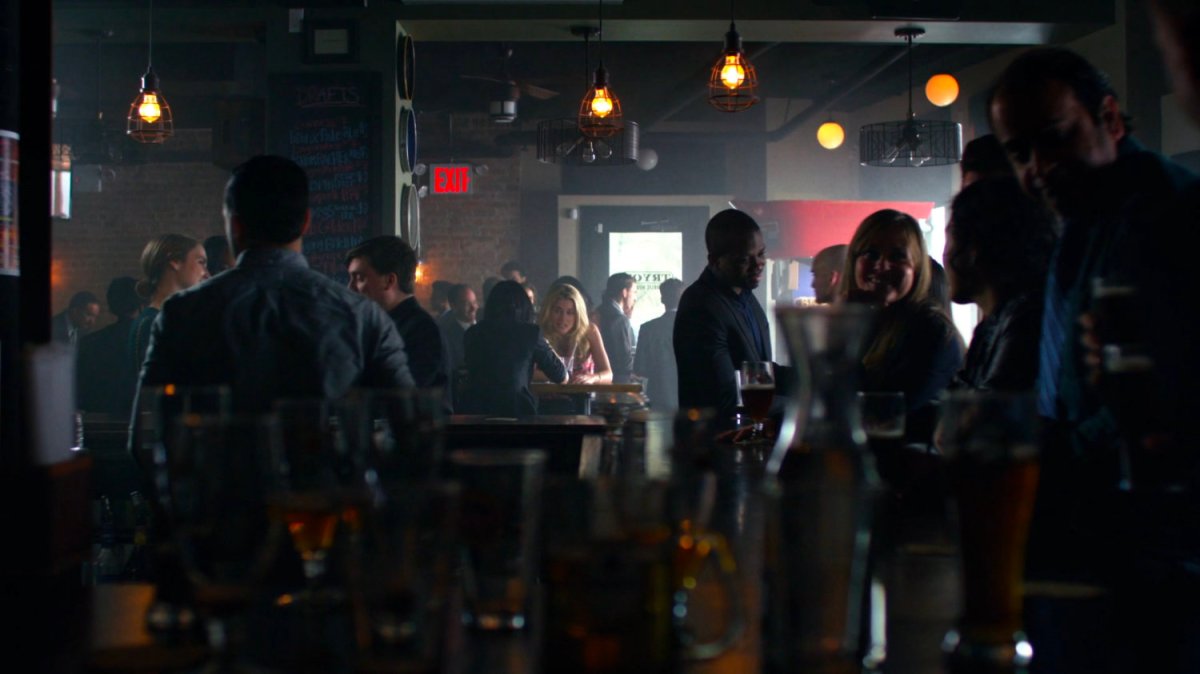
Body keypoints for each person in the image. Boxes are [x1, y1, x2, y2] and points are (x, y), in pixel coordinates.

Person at [990, 47, 1199, 671]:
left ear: (1109, 118)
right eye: (1020, 154)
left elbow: (1167, 398)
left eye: (1055, 140)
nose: (1039, 169)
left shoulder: (1167, 214)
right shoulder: (1084, 217)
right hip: (1099, 543)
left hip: (1160, 555)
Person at [137, 155, 414, 415]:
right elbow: (409, 424)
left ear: (234, 226)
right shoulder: (363, 316)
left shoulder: (180, 313)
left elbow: (145, 434)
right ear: (306, 223)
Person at [840, 209, 963, 443]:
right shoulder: (869, 323)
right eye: (871, 254)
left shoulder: (932, 330)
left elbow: (880, 411)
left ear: (916, 269)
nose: (882, 266)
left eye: (897, 256)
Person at [944, 178, 1057, 391]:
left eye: (949, 238)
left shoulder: (1023, 319)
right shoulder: (993, 324)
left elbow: (986, 413)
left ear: (972, 251)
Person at [675, 209, 782, 424]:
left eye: (761, 254)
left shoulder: (747, 296)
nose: (758, 264)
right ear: (715, 261)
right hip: (716, 442)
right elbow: (721, 397)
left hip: (749, 435)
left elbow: (761, 369)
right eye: (744, 259)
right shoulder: (701, 304)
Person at [346, 236, 447, 390]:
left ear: (389, 280)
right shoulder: (375, 324)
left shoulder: (422, 330)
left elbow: (402, 394)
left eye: (359, 278)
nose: (350, 288)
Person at [461, 280, 567, 417]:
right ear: (524, 306)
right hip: (517, 413)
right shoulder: (530, 334)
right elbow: (561, 376)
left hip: (475, 413)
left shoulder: (472, 333)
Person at [129, 234, 209, 370]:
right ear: (175, 261)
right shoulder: (151, 323)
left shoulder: (170, 320)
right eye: (201, 262)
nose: (206, 273)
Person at [76, 277, 142, 417]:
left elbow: (79, 393)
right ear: (140, 303)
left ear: (111, 305)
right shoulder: (149, 340)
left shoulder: (89, 343)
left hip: (96, 426)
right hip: (139, 426)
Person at [538, 282, 612, 386]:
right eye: (557, 311)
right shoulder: (539, 332)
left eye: (570, 312)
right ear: (549, 311)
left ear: (578, 314)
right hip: (545, 398)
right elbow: (528, 372)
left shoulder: (590, 331)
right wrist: (559, 375)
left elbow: (608, 374)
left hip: (581, 398)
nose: (563, 319)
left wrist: (593, 378)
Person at [634, 278, 683, 410]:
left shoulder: (648, 328)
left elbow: (640, 368)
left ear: (662, 299)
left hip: (658, 397)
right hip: (689, 397)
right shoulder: (697, 328)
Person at [598, 273, 637, 384]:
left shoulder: (600, 311)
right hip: (618, 382)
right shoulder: (619, 319)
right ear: (624, 292)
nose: (635, 297)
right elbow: (624, 361)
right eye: (634, 292)